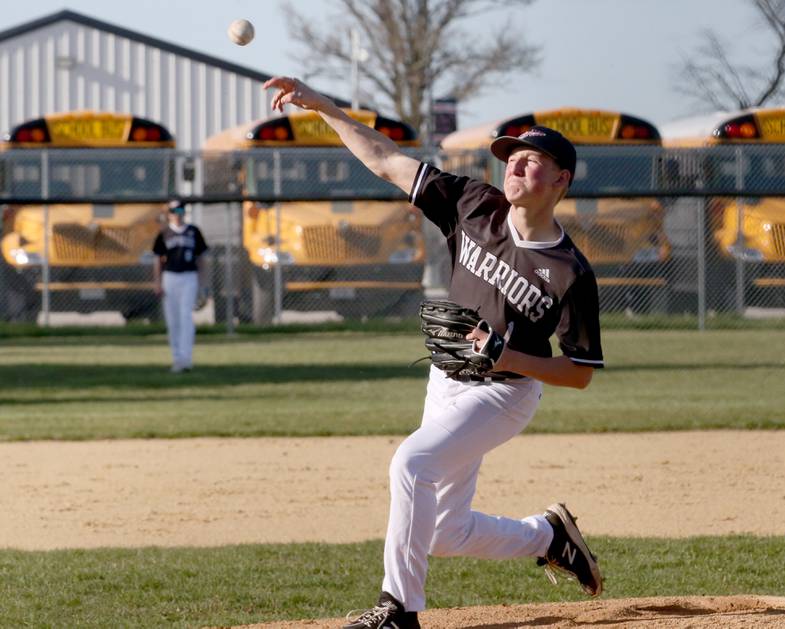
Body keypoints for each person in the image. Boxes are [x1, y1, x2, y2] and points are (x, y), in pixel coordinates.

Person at [263, 77, 604, 629]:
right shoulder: (473, 205)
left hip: (503, 394)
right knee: (444, 530)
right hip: (445, 383)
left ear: (561, 180)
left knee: (411, 463)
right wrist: (322, 106)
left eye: (532, 160)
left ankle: (398, 610)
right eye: (512, 157)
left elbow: (580, 374)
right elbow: (387, 161)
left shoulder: (569, 270)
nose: (516, 166)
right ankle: (549, 536)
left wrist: (509, 358)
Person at [152, 200, 209, 373]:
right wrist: (157, 281)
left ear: (184, 211)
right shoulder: (164, 233)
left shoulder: (193, 231)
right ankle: (177, 358)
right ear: (168, 213)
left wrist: (203, 283)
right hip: (170, 278)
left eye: (180, 209)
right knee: (173, 320)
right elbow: (158, 260)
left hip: (189, 277)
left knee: (186, 317)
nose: (177, 213)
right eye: (173, 210)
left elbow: (202, 259)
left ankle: (186, 358)